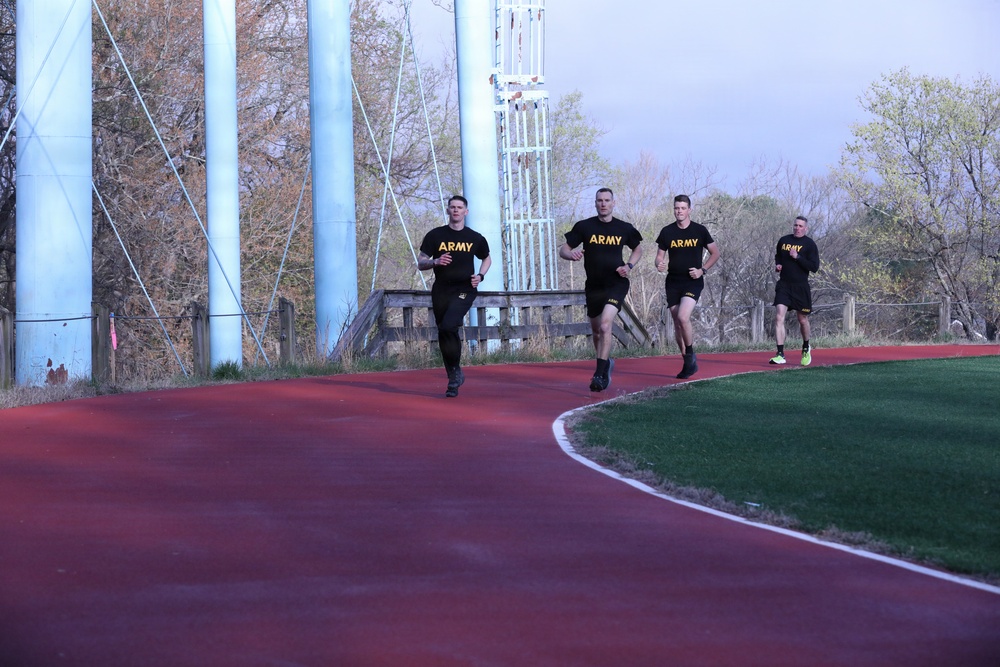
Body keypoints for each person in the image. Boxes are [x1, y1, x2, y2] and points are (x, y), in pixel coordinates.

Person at [560, 187, 643, 392]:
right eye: (599, 200)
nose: (603, 204)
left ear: (613, 203)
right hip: (594, 286)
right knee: (597, 331)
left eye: (607, 200)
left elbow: (638, 248)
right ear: (595, 203)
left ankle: (599, 374)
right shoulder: (584, 226)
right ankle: (606, 363)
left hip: (616, 283)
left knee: (606, 326)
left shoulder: (624, 228)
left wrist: (629, 266)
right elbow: (564, 249)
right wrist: (572, 255)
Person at [417, 195, 492, 397]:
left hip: (465, 288)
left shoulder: (475, 238)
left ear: (466, 211)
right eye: (452, 207)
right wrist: (436, 261)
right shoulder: (435, 235)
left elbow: (486, 258)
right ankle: (453, 374)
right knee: (444, 330)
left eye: (460, 207)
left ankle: (454, 374)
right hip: (441, 289)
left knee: (449, 325)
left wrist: (480, 276)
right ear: (448, 210)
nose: (456, 210)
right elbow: (421, 262)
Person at [654, 194, 720, 379]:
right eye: (676, 208)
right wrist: (659, 263)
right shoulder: (667, 232)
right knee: (676, 322)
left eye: (683, 208)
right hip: (673, 282)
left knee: (683, 317)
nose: (679, 211)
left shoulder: (699, 230)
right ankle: (687, 362)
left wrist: (702, 270)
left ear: (689, 210)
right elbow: (659, 256)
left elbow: (715, 253)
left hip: (693, 281)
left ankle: (690, 353)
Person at [770, 215, 820, 366]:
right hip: (784, 285)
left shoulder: (810, 244)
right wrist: (778, 265)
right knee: (779, 317)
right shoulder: (784, 240)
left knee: (802, 319)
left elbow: (814, 267)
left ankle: (806, 346)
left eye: (800, 226)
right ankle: (780, 354)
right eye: (795, 225)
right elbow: (778, 256)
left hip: (800, 287)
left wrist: (797, 256)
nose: (797, 228)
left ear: (806, 228)